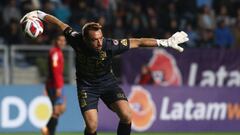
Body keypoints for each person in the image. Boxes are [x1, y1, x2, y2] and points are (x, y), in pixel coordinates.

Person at [20, 10, 189, 135]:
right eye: (95, 40)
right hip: (87, 87)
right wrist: (38, 13)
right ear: (85, 39)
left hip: (108, 82)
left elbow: (138, 42)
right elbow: (58, 22)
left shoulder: (110, 45)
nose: (100, 42)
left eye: (101, 37)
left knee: (127, 114)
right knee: (92, 126)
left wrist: (165, 42)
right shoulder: (75, 39)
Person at [42, 34, 67, 135]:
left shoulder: (57, 52)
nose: (62, 42)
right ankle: (48, 131)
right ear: (56, 41)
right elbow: (55, 71)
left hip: (56, 84)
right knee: (57, 110)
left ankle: (47, 130)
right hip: (55, 85)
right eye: (60, 40)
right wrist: (58, 87)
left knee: (59, 109)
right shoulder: (55, 53)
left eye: (64, 40)